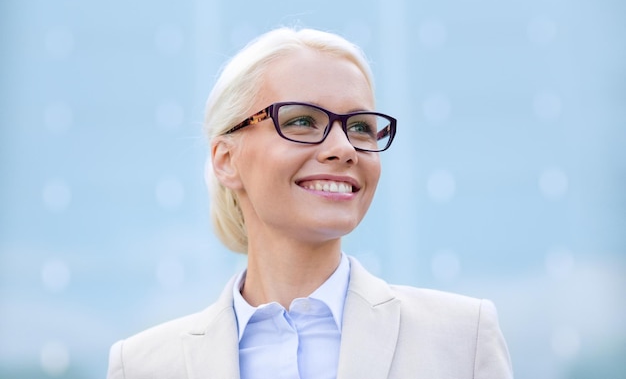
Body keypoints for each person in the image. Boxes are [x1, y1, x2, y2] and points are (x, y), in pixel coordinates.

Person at [106, 27, 513, 379]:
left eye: (360, 127)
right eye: (302, 121)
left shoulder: (463, 338)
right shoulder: (143, 366)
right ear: (226, 160)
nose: (343, 148)